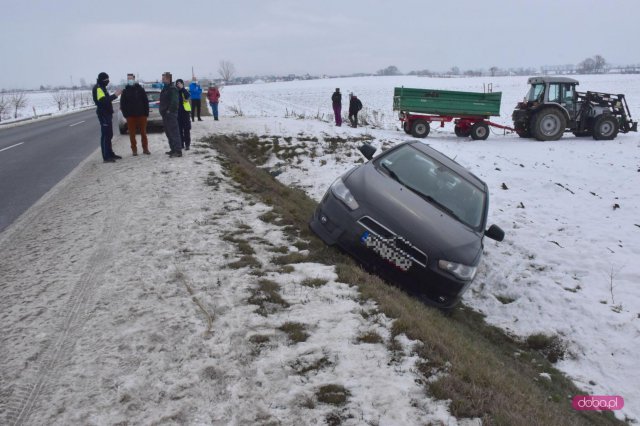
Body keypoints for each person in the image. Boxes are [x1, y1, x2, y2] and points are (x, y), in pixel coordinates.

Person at [92, 72, 122, 163]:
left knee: (109, 135)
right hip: (103, 114)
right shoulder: (98, 88)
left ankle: (110, 153)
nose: (108, 81)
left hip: (107, 114)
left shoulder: (102, 87)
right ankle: (106, 157)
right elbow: (103, 101)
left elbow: (106, 99)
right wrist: (115, 95)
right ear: (102, 79)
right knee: (105, 136)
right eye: (106, 79)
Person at [119, 73, 150, 156]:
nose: (130, 80)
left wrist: (146, 113)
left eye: (131, 79)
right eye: (128, 79)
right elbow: (122, 104)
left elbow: (145, 101)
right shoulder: (125, 91)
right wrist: (126, 115)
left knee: (143, 133)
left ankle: (145, 149)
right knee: (132, 134)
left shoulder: (140, 89)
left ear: (134, 79)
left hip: (142, 115)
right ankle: (134, 150)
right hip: (130, 116)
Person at [159, 72, 182, 157]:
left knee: (174, 132)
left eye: (163, 78)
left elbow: (175, 102)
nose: (162, 80)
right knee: (168, 132)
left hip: (170, 114)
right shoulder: (165, 88)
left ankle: (178, 151)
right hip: (165, 114)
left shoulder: (173, 89)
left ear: (168, 79)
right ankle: (173, 149)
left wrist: (169, 111)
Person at [176, 79, 192, 150]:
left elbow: (188, 95)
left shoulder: (184, 91)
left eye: (179, 83)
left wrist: (182, 88)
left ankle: (187, 144)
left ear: (182, 84)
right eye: (177, 83)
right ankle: (181, 144)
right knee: (179, 130)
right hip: (177, 113)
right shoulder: (175, 92)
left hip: (185, 113)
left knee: (186, 129)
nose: (178, 85)